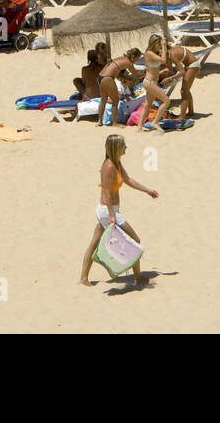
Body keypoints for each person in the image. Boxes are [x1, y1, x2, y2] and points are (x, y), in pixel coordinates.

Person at [79, 134, 158, 287]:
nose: (126, 148)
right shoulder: (108, 167)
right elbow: (107, 192)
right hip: (107, 211)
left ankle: (83, 278)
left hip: (109, 210)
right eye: (123, 145)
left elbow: (128, 180)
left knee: (94, 243)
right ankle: (138, 278)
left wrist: (147, 190)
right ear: (116, 148)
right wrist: (111, 215)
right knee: (135, 240)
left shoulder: (117, 163)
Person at [97, 48, 142, 128]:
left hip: (100, 77)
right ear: (133, 56)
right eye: (137, 59)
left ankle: (99, 121)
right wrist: (147, 73)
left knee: (103, 100)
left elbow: (114, 70)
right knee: (115, 100)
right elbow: (137, 75)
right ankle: (115, 123)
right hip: (108, 78)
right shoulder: (129, 63)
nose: (136, 61)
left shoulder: (121, 58)